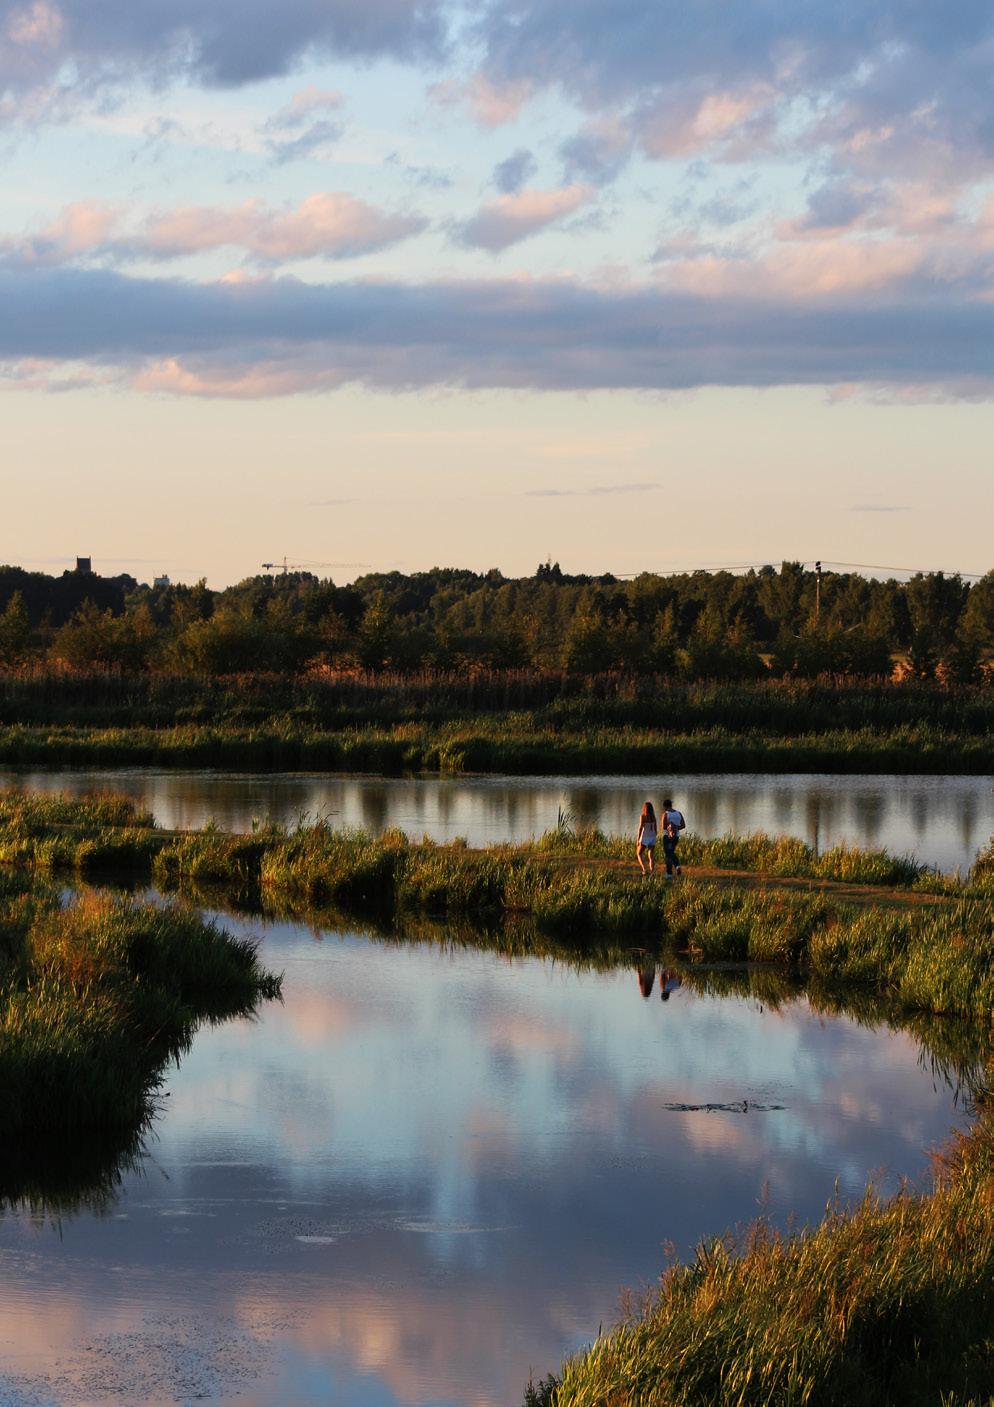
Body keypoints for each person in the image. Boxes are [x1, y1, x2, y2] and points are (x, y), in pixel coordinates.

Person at [661, 797, 685, 877]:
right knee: (671, 853)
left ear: (665, 806)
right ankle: (677, 866)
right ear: (671, 805)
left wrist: (669, 828)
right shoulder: (679, 813)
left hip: (667, 837)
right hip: (676, 836)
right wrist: (675, 828)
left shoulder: (666, 814)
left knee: (668, 854)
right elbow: (683, 825)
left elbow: (663, 827)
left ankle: (669, 873)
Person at [636, 801, 658, 875]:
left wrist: (638, 839)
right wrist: (654, 837)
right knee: (651, 856)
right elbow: (656, 830)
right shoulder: (653, 817)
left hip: (645, 837)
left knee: (639, 853)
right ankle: (652, 872)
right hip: (652, 837)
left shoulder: (643, 816)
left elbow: (640, 828)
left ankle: (644, 869)